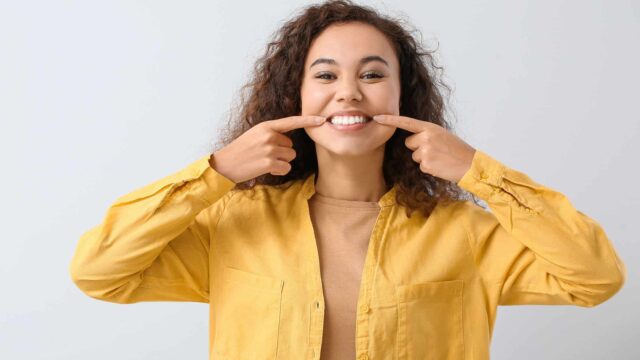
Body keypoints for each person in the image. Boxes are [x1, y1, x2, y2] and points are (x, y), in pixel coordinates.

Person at [69, 1, 627, 359]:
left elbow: (595, 278)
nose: (349, 92)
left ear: (403, 95)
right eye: (326, 74)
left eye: (373, 74)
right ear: (297, 96)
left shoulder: (465, 233)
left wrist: (478, 172)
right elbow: (100, 273)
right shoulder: (231, 225)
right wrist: (216, 174)